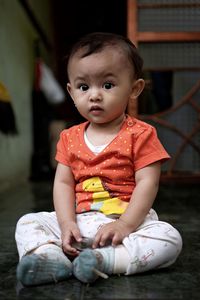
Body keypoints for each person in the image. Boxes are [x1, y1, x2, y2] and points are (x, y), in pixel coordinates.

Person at [15, 32, 182, 286]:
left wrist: (126, 225)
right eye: (84, 87)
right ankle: (49, 258)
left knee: (169, 238)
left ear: (134, 89)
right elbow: (63, 184)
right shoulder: (69, 138)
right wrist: (66, 222)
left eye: (107, 85)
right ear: (71, 92)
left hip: (126, 222)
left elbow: (149, 182)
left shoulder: (141, 134)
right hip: (78, 223)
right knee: (28, 222)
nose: (94, 95)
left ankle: (106, 260)